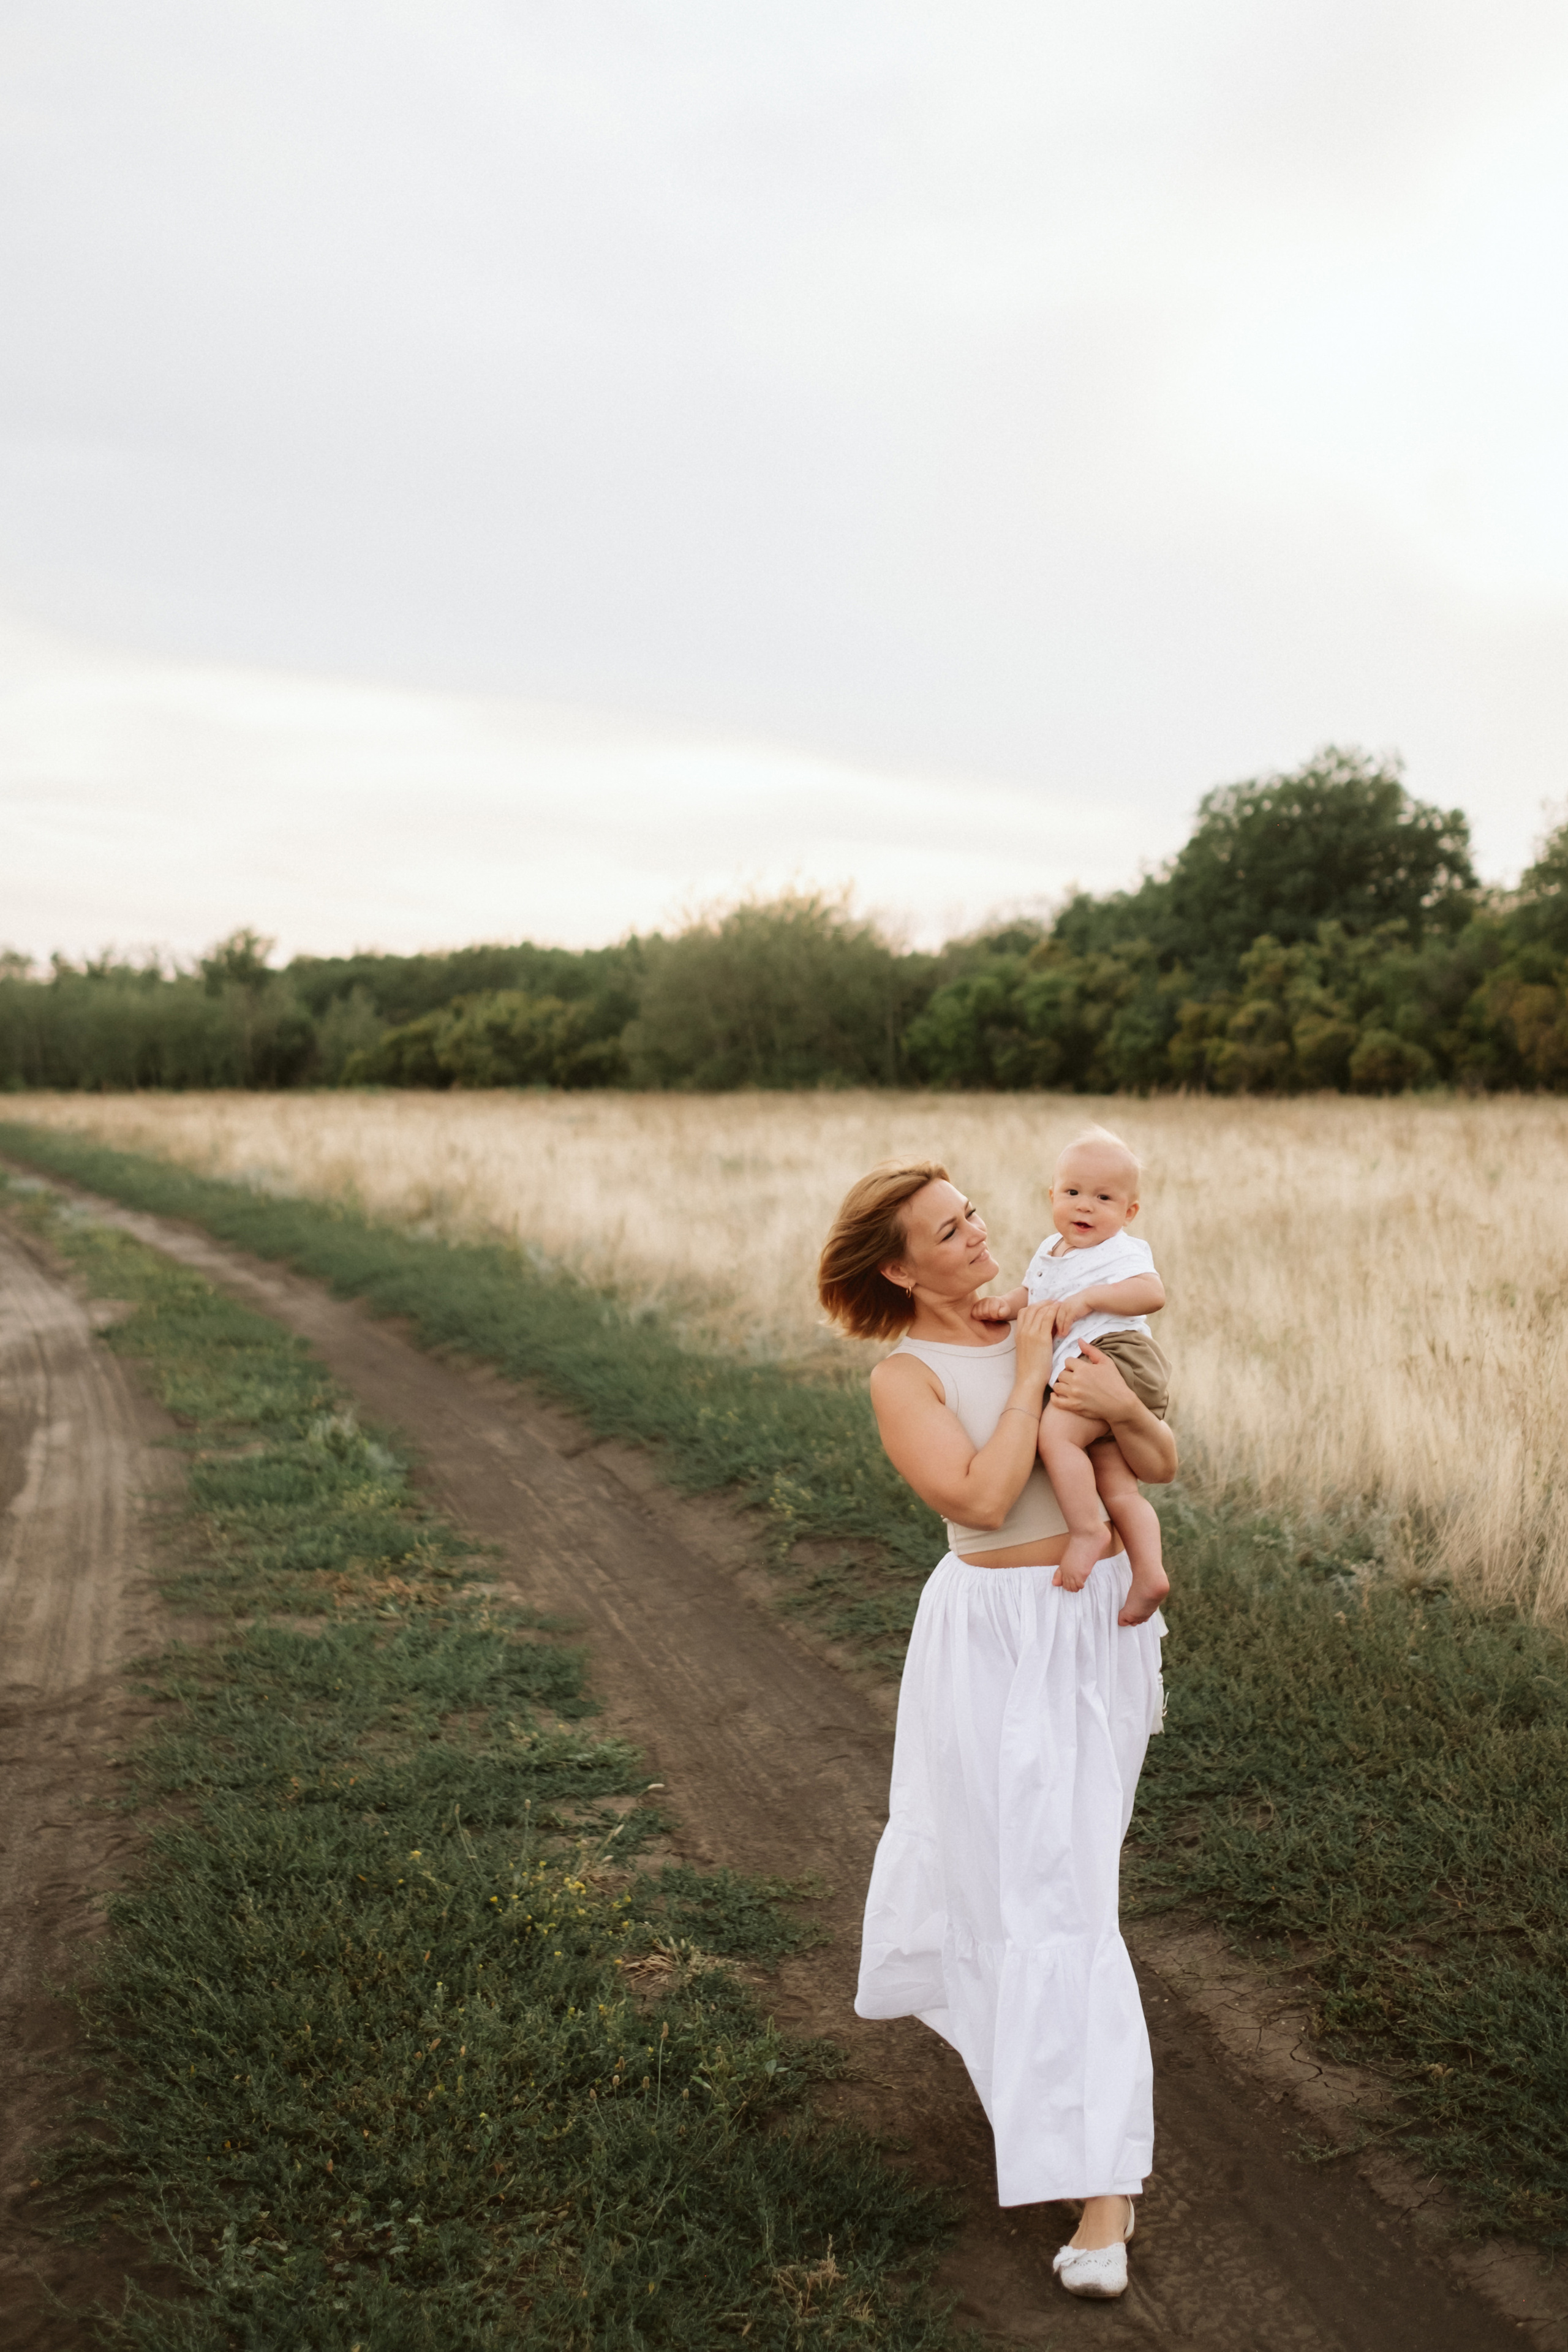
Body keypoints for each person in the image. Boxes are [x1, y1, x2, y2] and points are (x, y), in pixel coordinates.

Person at [818, 1158, 1177, 2302]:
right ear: (899, 1265)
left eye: (974, 1214)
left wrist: (1116, 1404)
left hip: (1094, 1632)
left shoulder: (1063, 1309)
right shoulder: (905, 1376)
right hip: (988, 1639)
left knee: (1068, 1887)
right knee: (1000, 1877)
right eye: (949, 1229)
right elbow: (975, 1499)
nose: (980, 1236)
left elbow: (1160, 1463)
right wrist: (1028, 1370)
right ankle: (1066, 2132)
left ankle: (1096, 2176)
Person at [974, 1126, 1170, 1627]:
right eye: (1073, 1193)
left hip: (1117, 1357)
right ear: (1052, 1196)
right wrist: (1005, 1305)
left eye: (1103, 1198)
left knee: (1055, 1435)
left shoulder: (1121, 1252)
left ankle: (1087, 1531)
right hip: (1087, 1365)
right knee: (1118, 1486)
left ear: (1129, 1212)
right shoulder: (1050, 1250)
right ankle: (1149, 1574)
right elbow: (1031, 1294)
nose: (1085, 1207)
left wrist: (1089, 1300)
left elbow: (1152, 1294)